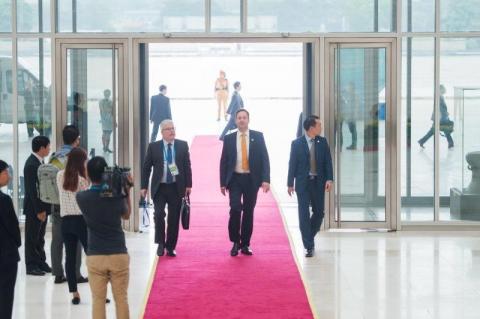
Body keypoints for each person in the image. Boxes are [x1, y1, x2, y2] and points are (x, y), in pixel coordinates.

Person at [76, 156, 132, 319]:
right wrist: (125, 191)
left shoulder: (82, 198)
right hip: (118, 253)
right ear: (106, 173)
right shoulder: (115, 195)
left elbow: (92, 191)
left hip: (95, 255)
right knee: (121, 298)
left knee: (98, 300)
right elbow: (126, 215)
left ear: (88, 174)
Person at [220, 109, 270, 256]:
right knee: (235, 208)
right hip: (234, 179)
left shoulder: (258, 137)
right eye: (239, 118)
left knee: (248, 212)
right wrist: (222, 182)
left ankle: (245, 244)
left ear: (248, 120)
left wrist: (266, 179)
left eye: (244, 118)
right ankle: (235, 241)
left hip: (251, 180)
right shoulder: (229, 138)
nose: (241, 120)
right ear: (235, 121)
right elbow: (223, 162)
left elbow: (264, 159)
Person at [141, 119, 192, 257]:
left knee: (173, 218)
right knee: (158, 215)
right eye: (168, 129)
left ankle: (170, 246)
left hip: (176, 186)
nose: (172, 131)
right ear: (162, 132)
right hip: (160, 187)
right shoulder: (154, 147)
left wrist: (189, 185)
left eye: (173, 128)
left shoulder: (182, 145)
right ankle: (161, 243)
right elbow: (146, 168)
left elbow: (187, 166)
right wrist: (143, 186)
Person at [287, 116, 333, 257]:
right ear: (311, 128)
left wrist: (329, 179)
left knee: (319, 213)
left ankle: (309, 236)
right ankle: (309, 246)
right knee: (304, 214)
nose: (321, 127)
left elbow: (327, 162)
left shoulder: (322, 142)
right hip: (303, 183)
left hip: (318, 183)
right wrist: (290, 183)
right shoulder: (296, 144)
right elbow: (292, 164)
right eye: (319, 125)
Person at [50, 125, 86, 284]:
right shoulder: (76, 156)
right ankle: (76, 273)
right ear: (76, 139)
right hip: (74, 207)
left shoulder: (54, 157)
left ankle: (58, 273)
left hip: (56, 204)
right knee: (75, 241)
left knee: (57, 239)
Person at [57, 148, 90, 304]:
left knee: (69, 258)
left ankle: (74, 293)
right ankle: (100, 293)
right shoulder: (83, 179)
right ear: (80, 161)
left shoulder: (59, 175)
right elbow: (86, 197)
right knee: (93, 256)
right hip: (81, 221)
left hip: (65, 221)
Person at [24, 135, 51, 276]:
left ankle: (41, 261)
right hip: (34, 208)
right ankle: (31, 265)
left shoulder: (39, 162)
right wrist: (39, 210)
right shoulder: (31, 165)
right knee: (32, 237)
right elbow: (31, 190)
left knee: (40, 236)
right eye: (48, 146)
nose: (49, 148)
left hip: (42, 207)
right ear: (42, 148)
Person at [0, 160, 21, 319]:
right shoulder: (4, 200)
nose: (9, 176)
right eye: (6, 172)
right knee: (5, 295)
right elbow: (13, 227)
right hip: (5, 255)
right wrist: (17, 243)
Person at [418, 84, 454, 149]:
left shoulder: (440, 96)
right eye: (443, 89)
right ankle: (451, 143)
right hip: (441, 118)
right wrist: (445, 116)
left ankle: (422, 141)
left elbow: (441, 108)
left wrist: (445, 113)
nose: (444, 90)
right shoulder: (439, 97)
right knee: (445, 130)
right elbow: (439, 108)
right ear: (440, 90)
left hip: (440, 117)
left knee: (437, 131)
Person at [340, 82, 358, 150]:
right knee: (352, 130)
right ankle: (353, 144)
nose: (348, 88)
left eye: (349, 87)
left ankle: (354, 145)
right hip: (349, 115)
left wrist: (355, 115)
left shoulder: (354, 95)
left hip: (352, 116)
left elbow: (356, 106)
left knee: (353, 130)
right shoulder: (349, 95)